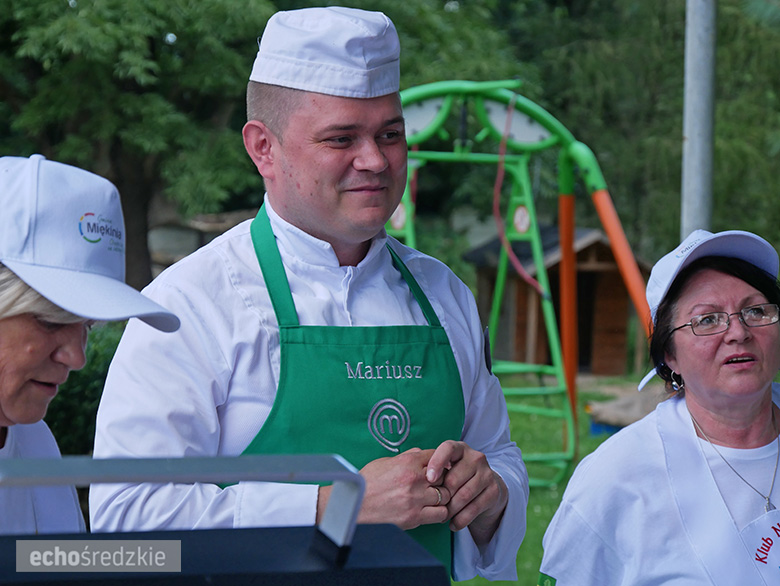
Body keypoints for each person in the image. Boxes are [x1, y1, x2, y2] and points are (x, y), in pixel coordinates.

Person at [88, 6, 528, 581]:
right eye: (341, 138)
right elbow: (126, 524)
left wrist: (490, 495)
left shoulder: (446, 296)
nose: (374, 160)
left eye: (390, 134)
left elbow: (500, 457)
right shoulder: (189, 305)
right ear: (263, 148)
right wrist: (329, 509)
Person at [538, 229, 780, 585]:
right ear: (669, 356)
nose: (738, 332)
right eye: (708, 319)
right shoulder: (614, 480)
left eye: (756, 310)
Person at [0, 154, 179, 535]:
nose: (77, 357)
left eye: (89, 325)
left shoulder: (33, 441)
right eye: (50, 320)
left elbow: (55, 563)